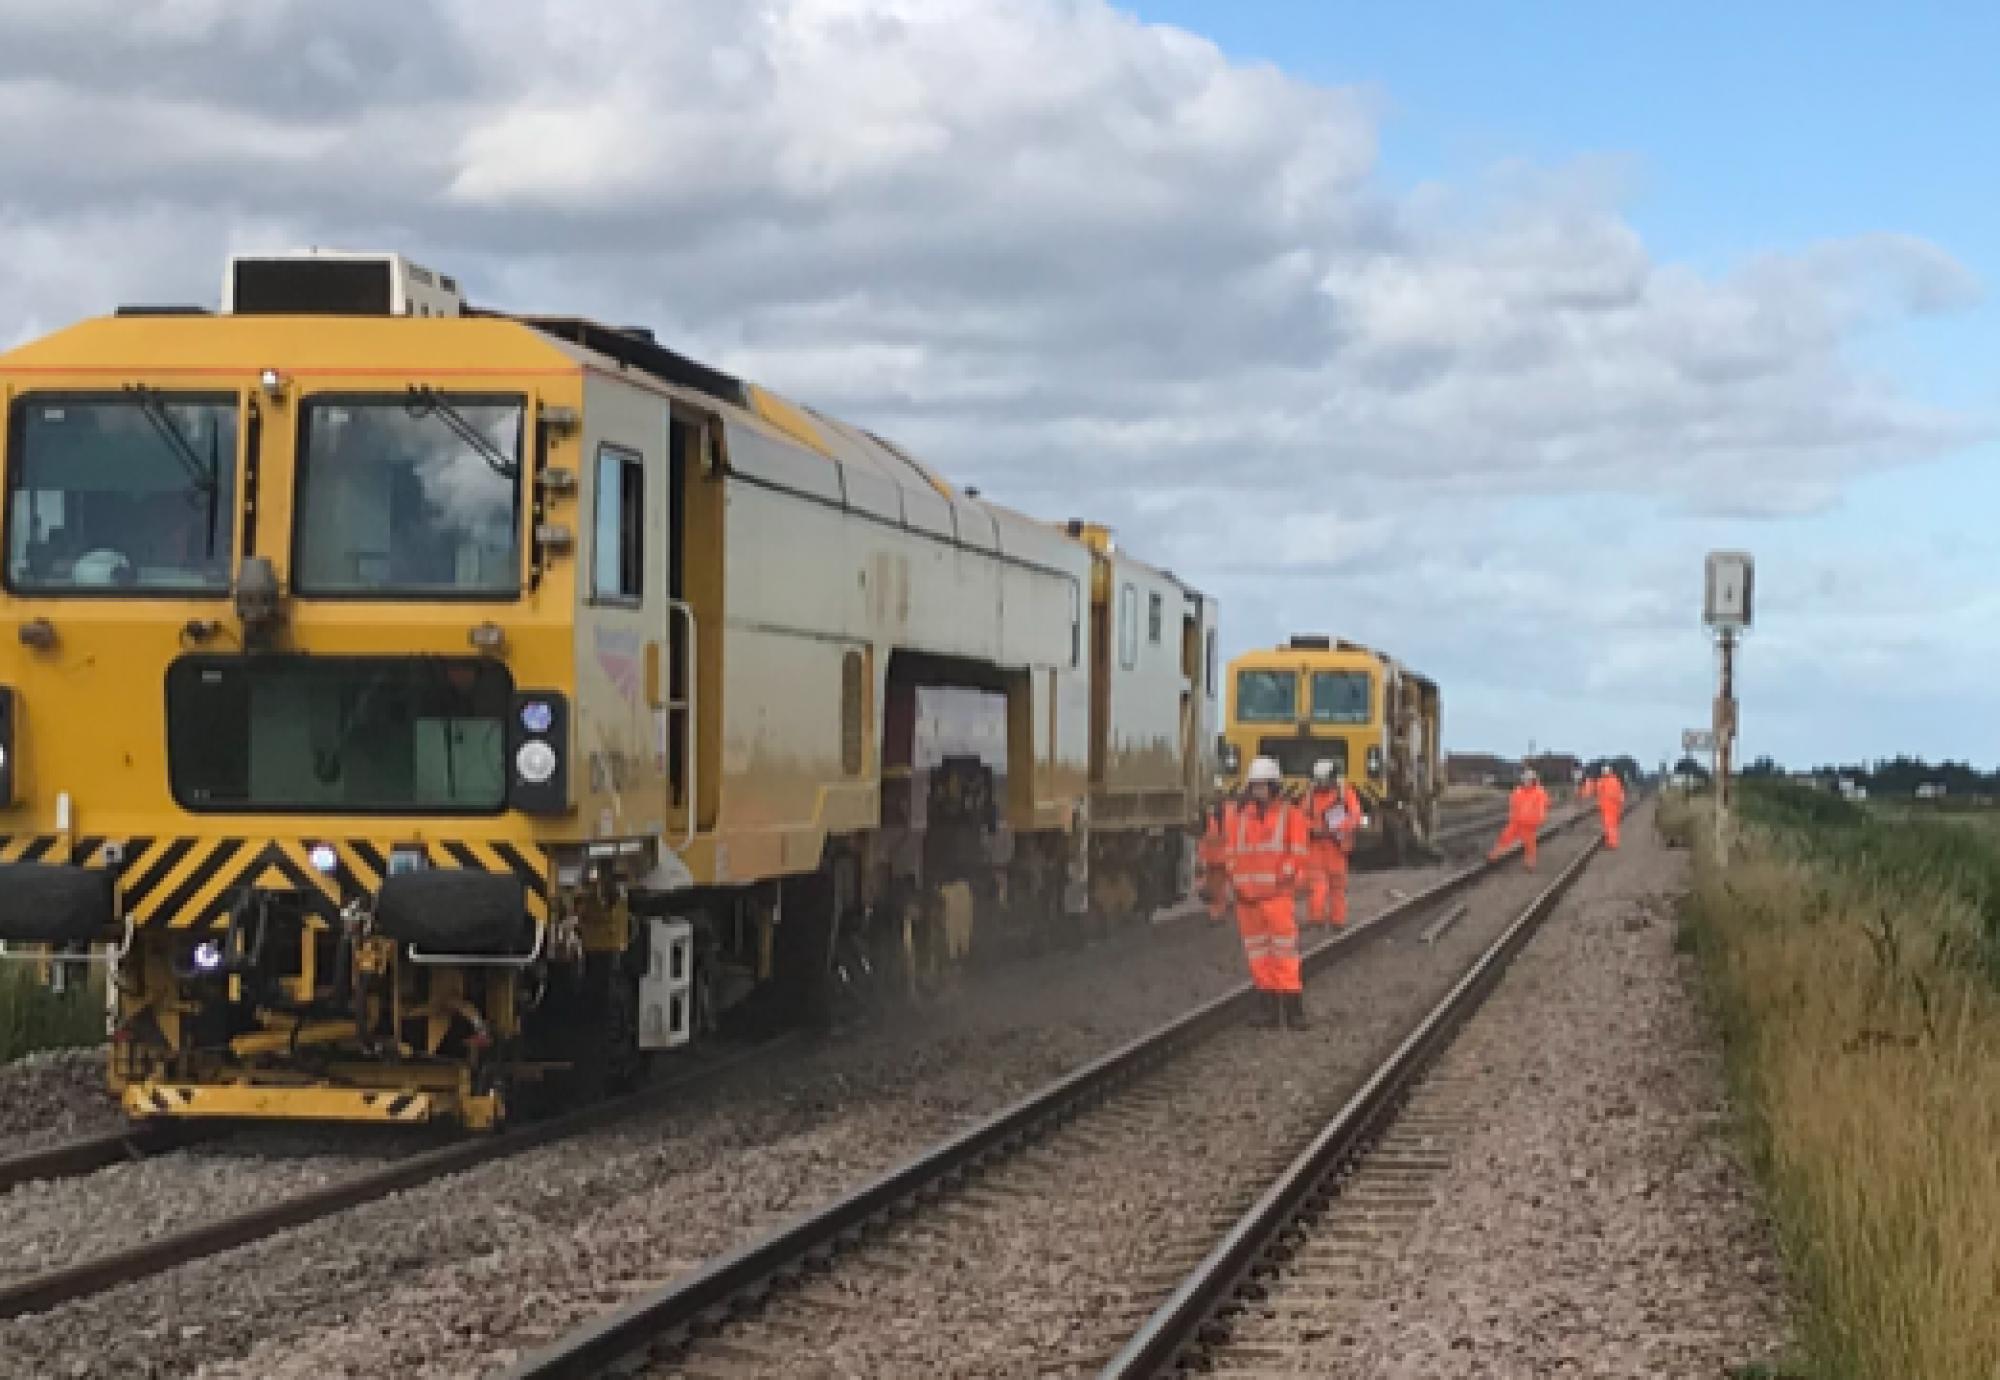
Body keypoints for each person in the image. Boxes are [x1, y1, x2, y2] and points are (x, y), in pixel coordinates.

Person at [1223, 756, 1311, 1028]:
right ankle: (1268, 1009)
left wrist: (1285, 875)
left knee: (1284, 954)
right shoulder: (1239, 816)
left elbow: (1298, 853)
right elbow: (1231, 851)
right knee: (1258, 956)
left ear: (1274, 786)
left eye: (1263, 786)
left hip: (1276, 897)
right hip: (1247, 899)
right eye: (1255, 786)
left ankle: (1293, 1010)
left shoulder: (1290, 815)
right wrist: (1234, 881)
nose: (1258, 791)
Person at [1304, 759, 1361, 927]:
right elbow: (1302, 818)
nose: (1321, 784)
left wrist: (1338, 828)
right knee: (1317, 885)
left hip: (1336, 846)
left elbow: (1355, 816)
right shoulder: (1310, 795)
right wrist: (1313, 829)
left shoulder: (1344, 793)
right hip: (1317, 847)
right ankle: (1316, 920)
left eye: (1324, 780)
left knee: (1337, 886)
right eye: (1319, 780)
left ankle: (1337, 921)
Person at [1489, 767, 1549, 871]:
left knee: (1529, 843)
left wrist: (1540, 819)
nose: (1526, 781)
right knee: (1505, 836)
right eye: (1525, 779)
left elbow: (1542, 807)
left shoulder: (1539, 792)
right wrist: (1512, 815)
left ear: (1533, 780)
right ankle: (1494, 855)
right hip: (1516, 821)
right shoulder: (1518, 791)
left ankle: (1530, 863)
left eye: (1529, 780)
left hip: (1529, 823)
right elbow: (1513, 804)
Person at [1199, 793, 1232, 923]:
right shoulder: (1227, 818)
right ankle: (1217, 913)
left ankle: (1216, 914)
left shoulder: (1211, 819)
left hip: (1214, 860)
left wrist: (1202, 859)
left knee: (1215, 888)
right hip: (1219, 860)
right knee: (1217, 888)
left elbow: (1204, 840)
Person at [1594, 764, 1626, 849]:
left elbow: (1599, 793)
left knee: (1609, 826)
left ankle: (1611, 843)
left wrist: (1599, 804)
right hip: (1614, 807)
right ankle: (1611, 842)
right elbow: (1621, 795)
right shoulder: (1616, 781)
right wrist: (1620, 806)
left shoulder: (1602, 781)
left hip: (1607, 807)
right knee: (1613, 826)